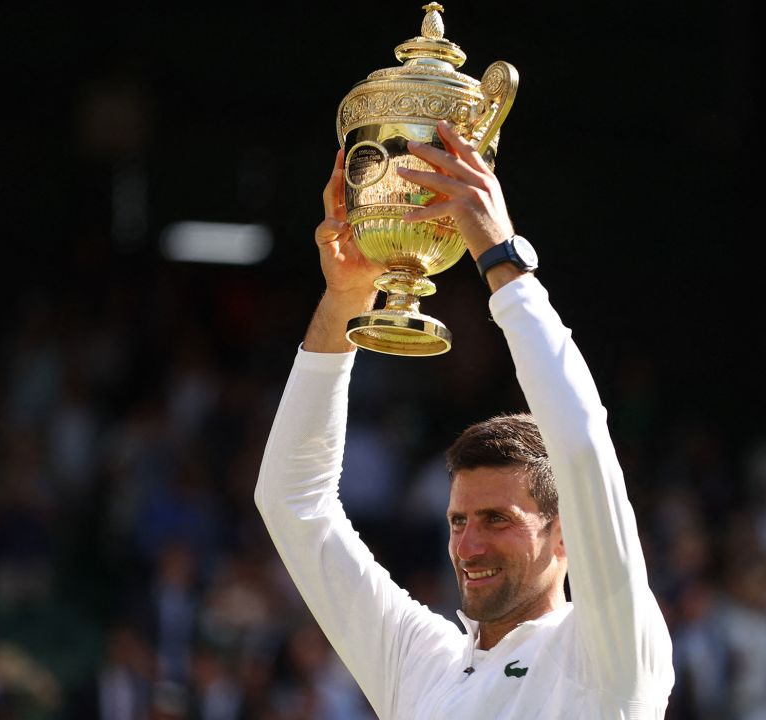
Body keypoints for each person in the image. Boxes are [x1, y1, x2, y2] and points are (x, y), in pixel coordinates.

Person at [255, 120, 674, 718]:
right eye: (459, 520)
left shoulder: (608, 657)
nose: (468, 545)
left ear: (565, 533)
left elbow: (581, 447)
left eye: (497, 519)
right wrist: (346, 300)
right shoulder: (420, 663)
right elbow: (292, 504)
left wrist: (501, 259)